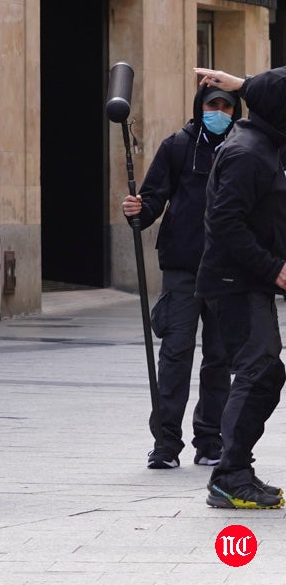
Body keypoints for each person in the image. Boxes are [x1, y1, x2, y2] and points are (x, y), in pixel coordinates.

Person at [122, 85, 239, 470]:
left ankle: (210, 440)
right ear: (199, 106)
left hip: (226, 271)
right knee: (175, 355)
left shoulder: (243, 148)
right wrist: (138, 209)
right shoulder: (177, 145)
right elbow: (155, 196)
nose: (218, 111)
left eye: (226, 105)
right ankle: (166, 443)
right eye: (212, 105)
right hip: (183, 268)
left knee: (219, 357)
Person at [192, 65, 286, 509]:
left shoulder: (264, 145)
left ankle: (237, 469)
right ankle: (229, 475)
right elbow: (225, 221)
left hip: (247, 281)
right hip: (234, 283)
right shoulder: (249, 152)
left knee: (267, 372)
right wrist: (273, 268)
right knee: (257, 371)